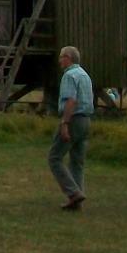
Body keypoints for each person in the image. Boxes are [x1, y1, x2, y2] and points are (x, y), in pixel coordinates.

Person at [49, 46, 93, 210]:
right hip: (86, 120)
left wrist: (64, 123)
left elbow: (71, 101)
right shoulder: (85, 75)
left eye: (61, 57)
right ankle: (77, 202)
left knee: (54, 157)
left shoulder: (69, 75)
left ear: (68, 58)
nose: (59, 60)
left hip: (73, 119)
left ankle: (73, 193)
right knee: (77, 162)